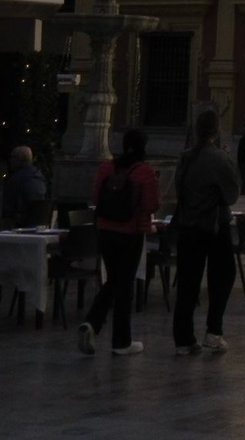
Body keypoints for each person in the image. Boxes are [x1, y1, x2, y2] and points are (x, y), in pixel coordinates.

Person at [78, 127, 160, 357]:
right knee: (123, 285)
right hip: (131, 232)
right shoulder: (144, 172)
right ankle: (120, 340)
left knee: (114, 279)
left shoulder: (107, 167)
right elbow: (152, 204)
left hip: (105, 231)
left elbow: (96, 198)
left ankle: (93, 324)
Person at [172, 109, 240, 356]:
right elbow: (232, 195)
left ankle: (183, 338)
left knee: (187, 282)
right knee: (223, 275)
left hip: (188, 226)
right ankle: (214, 331)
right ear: (216, 130)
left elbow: (179, 188)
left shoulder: (186, 157)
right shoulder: (219, 158)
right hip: (214, 226)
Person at [2, 145, 48, 219]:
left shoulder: (15, 179)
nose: (10, 161)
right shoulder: (40, 177)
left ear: (18, 159)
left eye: (12, 157)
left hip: (20, 223)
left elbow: (8, 209)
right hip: (40, 221)